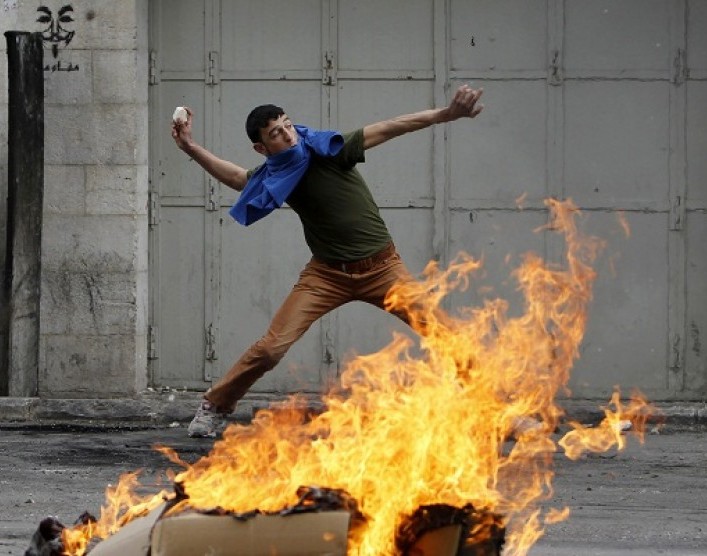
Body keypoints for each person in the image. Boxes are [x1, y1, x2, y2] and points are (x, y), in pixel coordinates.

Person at [171, 84, 485, 437]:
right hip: (327, 276)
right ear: (262, 148)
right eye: (276, 133)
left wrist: (446, 114)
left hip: (383, 269)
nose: (288, 135)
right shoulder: (275, 175)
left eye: (288, 125)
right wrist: (190, 147)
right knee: (271, 349)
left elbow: (392, 126)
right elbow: (235, 178)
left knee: (446, 332)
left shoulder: (327, 150)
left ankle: (491, 409)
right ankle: (215, 405)